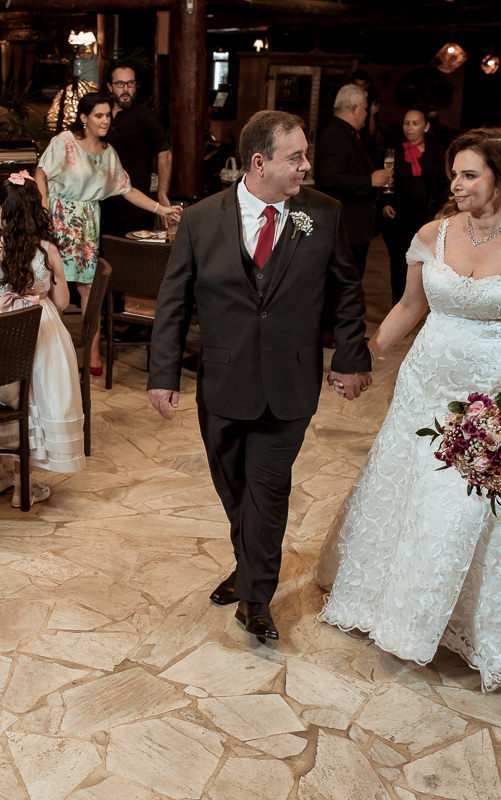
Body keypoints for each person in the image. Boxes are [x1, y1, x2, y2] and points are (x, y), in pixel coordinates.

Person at [317, 127, 501, 692]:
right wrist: (364, 358)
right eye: (453, 174)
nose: (455, 184)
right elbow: (410, 306)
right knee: (407, 489)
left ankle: (434, 618)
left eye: (469, 174)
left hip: (487, 400)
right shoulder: (432, 234)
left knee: (457, 508)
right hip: (423, 386)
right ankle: (385, 597)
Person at [148, 110, 372, 642]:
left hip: (290, 383)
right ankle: (247, 567)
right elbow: (173, 300)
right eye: (295, 157)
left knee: (267, 491)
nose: (306, 167)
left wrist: (350, 356)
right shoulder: (201, 220)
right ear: (258, 163)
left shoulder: (321, 214)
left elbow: (346, 292)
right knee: (235, 490)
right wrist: (163, 373)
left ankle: (256, 598)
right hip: (222, 383)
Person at [35, 91, 182, 374]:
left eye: (108, 115)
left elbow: (127, 190)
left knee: (89, 288)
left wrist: (160, 209)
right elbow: (40, 175)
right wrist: (44, 212)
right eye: (99, 115)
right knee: (53, 288)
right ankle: (53, 355)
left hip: (88, 224)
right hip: (57, 221)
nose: (105, 121)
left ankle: (91, 352)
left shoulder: (108, 154)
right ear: (84, 118)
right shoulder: (64, 142)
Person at [0, 171, 86, 506]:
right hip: (40, 334)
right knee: (32, 404)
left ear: (0, 211)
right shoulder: (46, 250)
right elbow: (62, 302)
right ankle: (23, 485)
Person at [315, 83, 393, 276]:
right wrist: (369, 181)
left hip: (354, 227)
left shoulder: (348, 132)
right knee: (346, 282)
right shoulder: (335, 134)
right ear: (354, 108)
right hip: (345, 227)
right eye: (365, 109)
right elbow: (328, 178)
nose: (367, 114)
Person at [380, 108, 448, 306]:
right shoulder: (394, 150)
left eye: (415, 123)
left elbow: (444, 184)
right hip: (399, 217)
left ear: (426, 126)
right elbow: (385, 181)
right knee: (399, 265)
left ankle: (421, 306)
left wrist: (441, 210)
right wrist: (385, 204)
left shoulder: (436, 152)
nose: (409, 128)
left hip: (427, 217)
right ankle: (399, 306)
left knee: (426, 266)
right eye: (406, 123)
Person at [100, 60, 172, 238]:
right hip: (101, 203)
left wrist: (162, 193)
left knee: (131, 258)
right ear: (110, 86)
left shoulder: (144, 116)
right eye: (120, 84)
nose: (126, 89)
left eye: (130, 83)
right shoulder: (102, 115)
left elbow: (164, 152)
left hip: (134, 204)